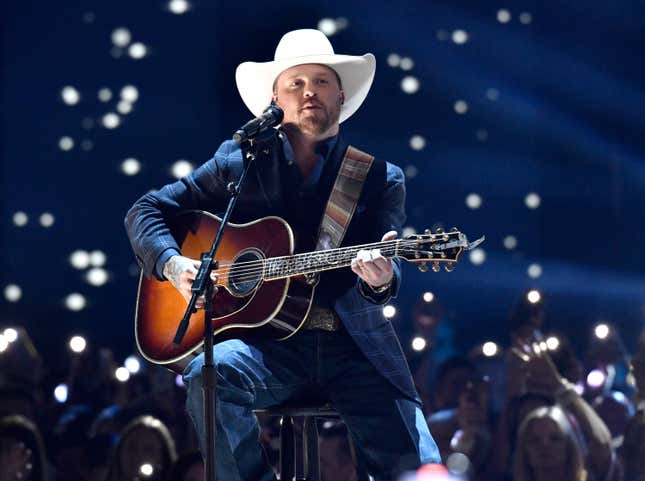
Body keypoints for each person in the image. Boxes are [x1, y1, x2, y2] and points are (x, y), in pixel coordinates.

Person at [125, 28, 439, 481]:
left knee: (419, 466)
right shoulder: (239, 161)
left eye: (322, 81)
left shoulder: (378, 178)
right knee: (208, 375)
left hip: (353, 348)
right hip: (265, 348)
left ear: (341, 94)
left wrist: (380, 280)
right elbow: (146, 209)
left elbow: (387, 268)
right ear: (276, 97)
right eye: (296, 82)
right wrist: (173, 264)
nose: (309, 91)